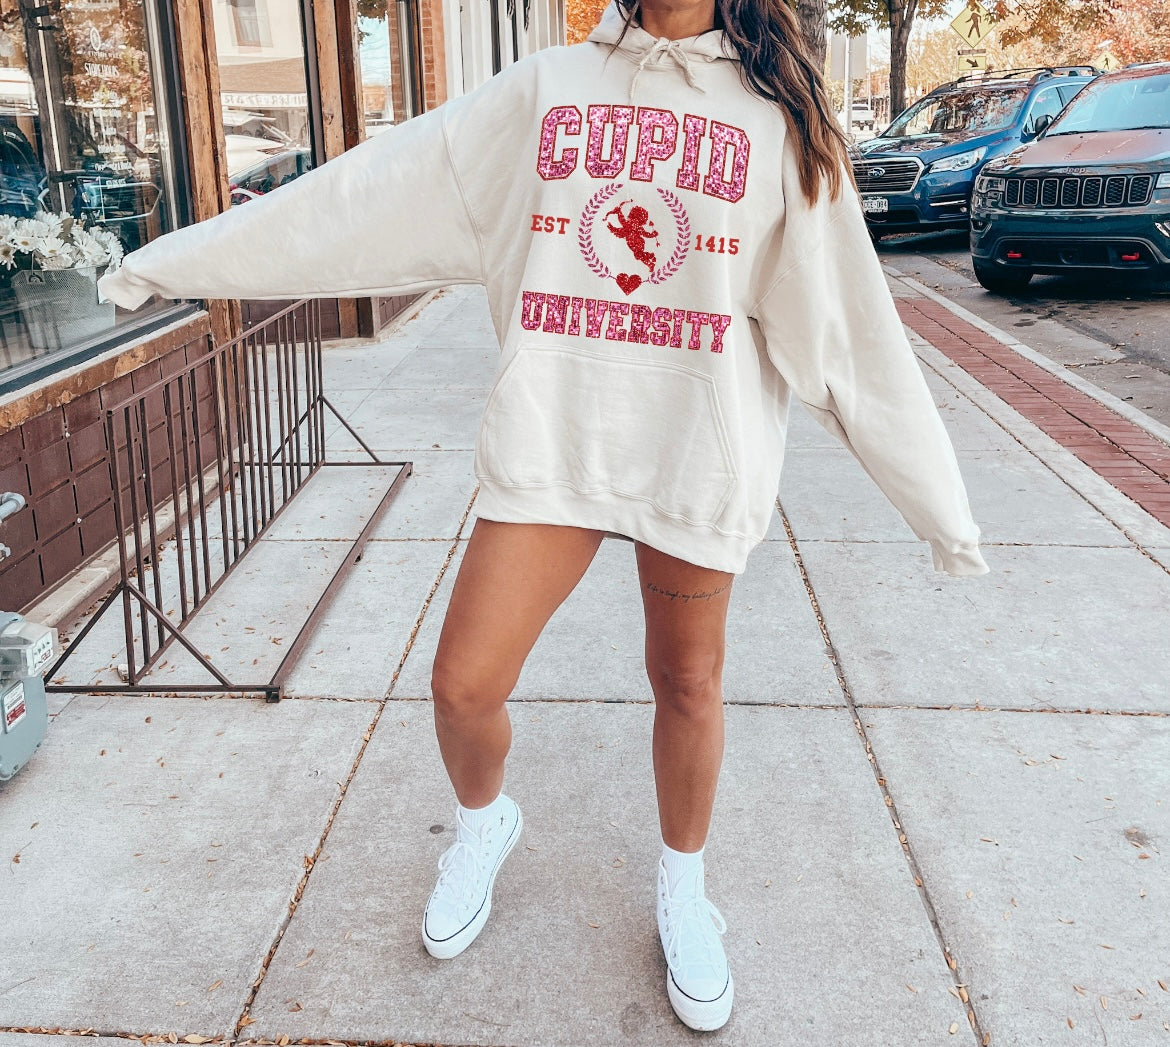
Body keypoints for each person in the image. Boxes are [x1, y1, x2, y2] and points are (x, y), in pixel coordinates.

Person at [98, 0, 988, 1031]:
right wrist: (171, 262)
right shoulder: (544, 91)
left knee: (688, 681)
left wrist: (936, 503)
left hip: (693, 450)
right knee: (463, 683)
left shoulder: (779, 117)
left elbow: (848, 326)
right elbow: (364, 196)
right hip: (556, 440)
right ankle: (485, 823)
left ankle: (684, 885)